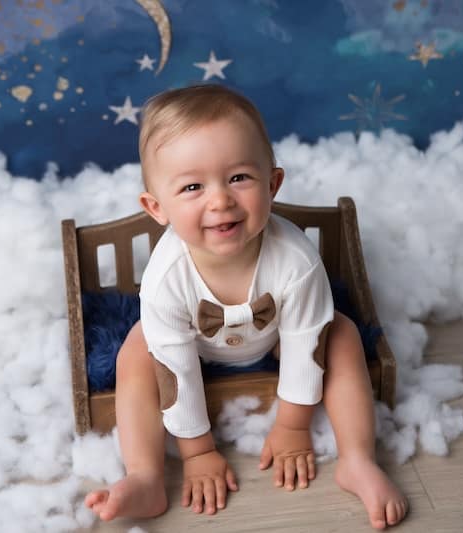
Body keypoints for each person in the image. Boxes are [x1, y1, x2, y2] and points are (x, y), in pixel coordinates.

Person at [84, 84, 408, 530]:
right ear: (156, 208)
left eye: (239, 177)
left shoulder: (295, 260)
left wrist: (293, 426)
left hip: (276, 338)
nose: (220, 200)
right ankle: (146, 476)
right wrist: (197, 452)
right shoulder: (166, 278)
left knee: (342, 335)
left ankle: (358, 459)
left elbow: (307, 344)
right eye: (192, 187)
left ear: (272, 184)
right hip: (192, 348)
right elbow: (173, 369)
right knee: (136, 352)